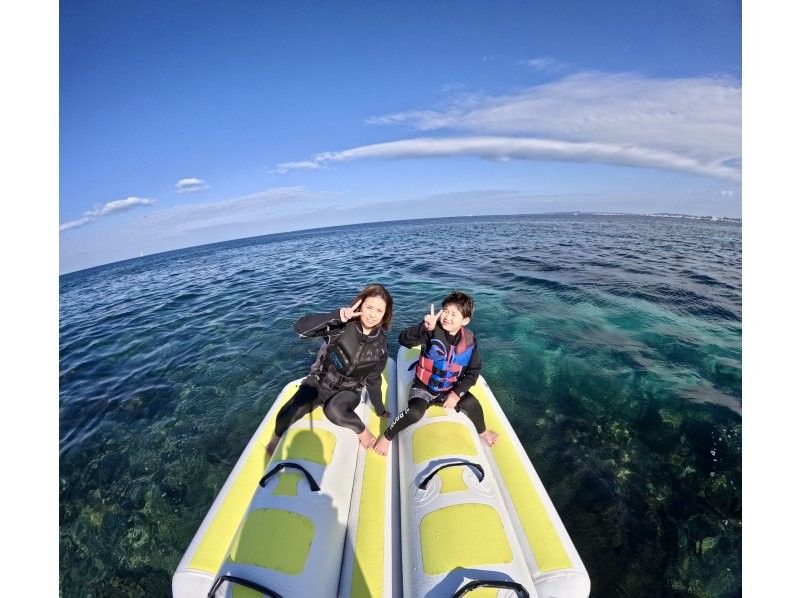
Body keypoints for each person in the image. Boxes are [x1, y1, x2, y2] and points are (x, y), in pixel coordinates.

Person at [266, 284, 393, 454]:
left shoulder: (381, 345)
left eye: (379, 311)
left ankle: (362, 430)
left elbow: (373, 379)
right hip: (319, 382)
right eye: (369, 307)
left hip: (349, 391)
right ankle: (276, 437)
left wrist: (380, 408)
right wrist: (337, 316)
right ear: (360, 305)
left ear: (385, 315)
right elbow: (300, 329)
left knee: (333, 410)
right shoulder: (340, 327)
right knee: (291, 411)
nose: (372, 314)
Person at [373, 290, 498, 456]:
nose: (447, 316)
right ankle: (387, 437)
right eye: (445, 311)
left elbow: (474, 371)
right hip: (424, 386)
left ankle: (482, 432)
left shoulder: (470, 342)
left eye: (454, 314)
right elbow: (403, 339)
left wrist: (456, 394)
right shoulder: (431, 330)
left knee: (473, 404)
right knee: (415, 413)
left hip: (449, 389)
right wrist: (423, 328)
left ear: (465, 320)